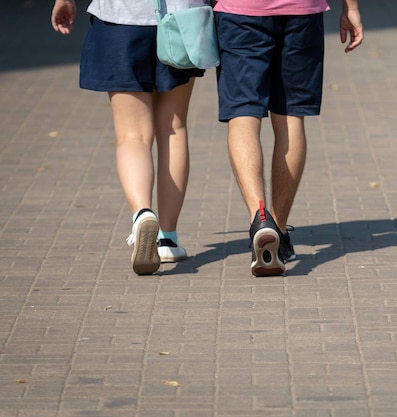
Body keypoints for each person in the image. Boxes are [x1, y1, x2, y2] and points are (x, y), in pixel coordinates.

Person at [51, 0, 205, 275]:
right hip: (182, 18)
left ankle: (142, 213)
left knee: (132, 135)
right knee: (173, 128)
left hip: (120, 19)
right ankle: (167, 239)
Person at [213, 0, 363, 276]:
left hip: (240, 12)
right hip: (301, 11)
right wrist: (350, 7)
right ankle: (278, 232)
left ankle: (260, 218)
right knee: (290, 117)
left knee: (243, 115)